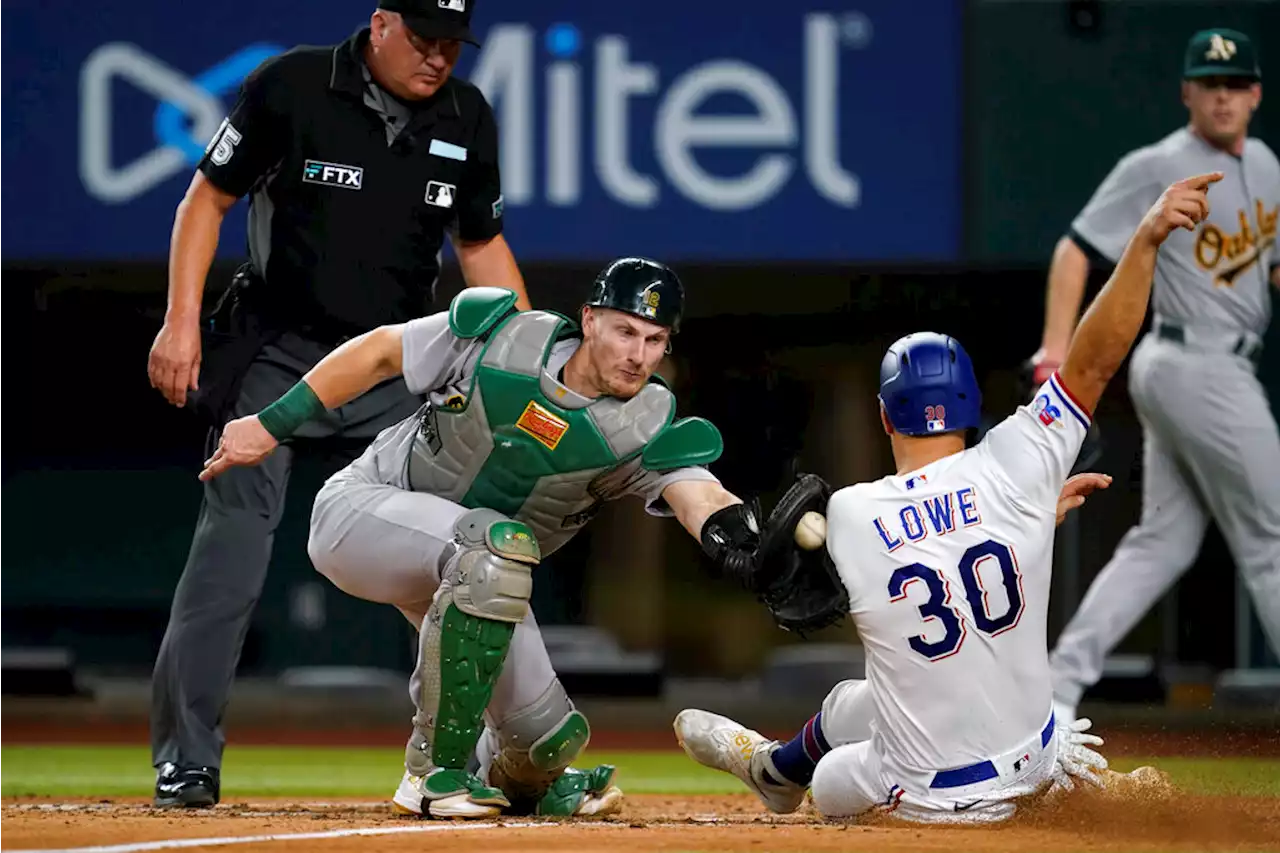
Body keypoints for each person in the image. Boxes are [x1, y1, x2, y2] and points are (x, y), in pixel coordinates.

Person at [674, 171, 1221, 823]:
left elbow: (830, 588)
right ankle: (771, 768)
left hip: (939, 797)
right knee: (856, 699)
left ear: (884, 416)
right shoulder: (1021, 460)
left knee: (838, 774)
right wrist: (1146, 239)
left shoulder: (853, 512)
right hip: (1039, 757)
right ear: (971, 409)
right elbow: (1095, 359)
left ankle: (778, 768)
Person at [199, 257, 790, 819]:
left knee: (547, 742)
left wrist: (751, 543)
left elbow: (703, 496)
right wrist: (271, 423)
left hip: (474, 568)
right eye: (625, 332)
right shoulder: (500, 338)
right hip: (363, 515)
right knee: (496, 549)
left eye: (655, 340)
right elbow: (380, 352)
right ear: (589, 319)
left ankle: (518, 784)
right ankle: (430, 775)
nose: (639, 355)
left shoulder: (644, 425)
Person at [145, 0, 530, 808]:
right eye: (423, 39)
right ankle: (187, 759)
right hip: (276, 353)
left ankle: (506, 749)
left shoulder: (468, 114)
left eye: (452, 45)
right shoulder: (291, 85)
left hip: (392, 366)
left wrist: (527, 363)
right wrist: (180, 321)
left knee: (460, 549)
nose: (438, 59)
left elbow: (480, 245)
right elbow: (205, 200)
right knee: (231, 548)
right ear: (381, 22)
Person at [1026, 27, 1280, 723]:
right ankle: (1057, 683)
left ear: (1255, 94)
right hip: (1192, 361)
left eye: (1235, 85)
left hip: (1216, 362)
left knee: (1162, 542)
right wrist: (1053, 354)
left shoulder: (1266, 164)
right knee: (1272, 536)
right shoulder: (1158, 164)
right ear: (1187, 93)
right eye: (1210, 84)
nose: (1223, 97)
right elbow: (1076, 250)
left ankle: (1056, 686)